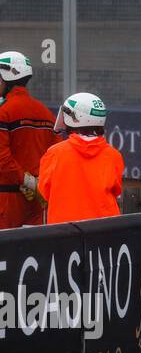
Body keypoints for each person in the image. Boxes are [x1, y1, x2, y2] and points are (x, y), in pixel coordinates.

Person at [36, 92, 124, 225]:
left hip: (64, 232)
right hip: (105, 231)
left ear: (73, 119)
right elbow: (116, 190)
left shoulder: (55, 153)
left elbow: (44, 192)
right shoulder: (113, 155)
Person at [0, 51, 57, 230]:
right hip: (36, 201)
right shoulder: (46, 113)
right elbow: (55, 156)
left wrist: (25, 180)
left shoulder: (4, 111)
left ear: (7, 76)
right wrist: (37, 182)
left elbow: (2, 159)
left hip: (6, 201)